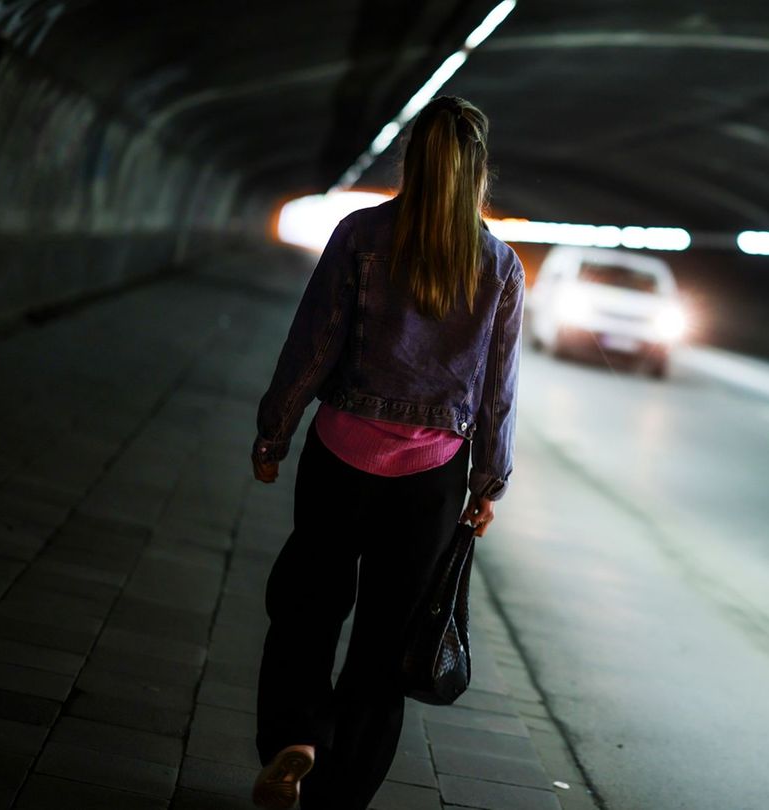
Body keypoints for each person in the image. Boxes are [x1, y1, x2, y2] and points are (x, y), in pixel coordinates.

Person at [247, 95, 523, 810]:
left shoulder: (360, 234)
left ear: (412, 160)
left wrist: (275, 431)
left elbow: (313, 345)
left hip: (340, 456)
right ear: (478, 172)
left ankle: (296, 740)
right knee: (383, 649)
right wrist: (487, 484)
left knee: (306, 609)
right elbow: (498, 392)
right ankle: (340, 797)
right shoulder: (498, 266)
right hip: (429, 485)